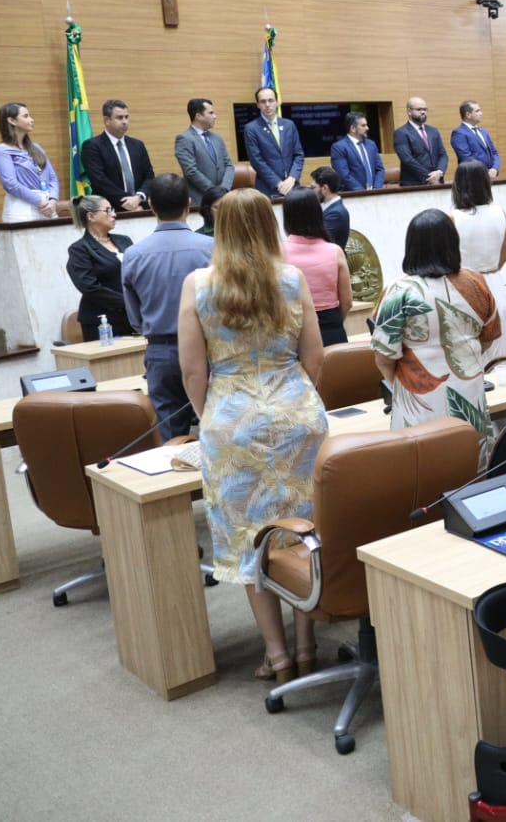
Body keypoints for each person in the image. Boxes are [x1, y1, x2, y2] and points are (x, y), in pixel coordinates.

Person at [178, 189, 327, 684]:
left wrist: (212, 418)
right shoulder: (292, 278)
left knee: (250, 540)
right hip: (298, 415)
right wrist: (297, 402)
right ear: (269, 224)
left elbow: (192, 371)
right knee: (303, 533)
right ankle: (307, 647)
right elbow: (315, 358)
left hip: (231, 420)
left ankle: (277, 656)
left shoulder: (198, 285)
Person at [371, 208, 500, 459]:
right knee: (470, 464)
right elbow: (488, 337)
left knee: (423, 467)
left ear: (412, 247)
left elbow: (384, 357)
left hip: (419, 401)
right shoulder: (476, 282)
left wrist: (398, 384)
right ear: (453, 243)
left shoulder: (399, 291)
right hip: (469, 394)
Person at [124, 174, 215, 439]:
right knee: (217, 428)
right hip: (210, 348)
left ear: (151, 205)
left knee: (170, 435)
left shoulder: (133, 255)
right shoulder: (213, 248)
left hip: (161, 350)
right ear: (189, 204)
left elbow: (134, 316)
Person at [450, 159, 506, 360]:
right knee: (501, 353)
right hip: (495, 284)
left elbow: (449, 261)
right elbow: (503, 258)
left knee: (471, 352)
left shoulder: (453, 218)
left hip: (465, 286)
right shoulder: (500, 212)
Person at [280, 188, 352, 346]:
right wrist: (334, 324)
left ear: (287, 217)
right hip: (331, 330)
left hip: (292, 331)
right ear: (318, 213)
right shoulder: (335, 251)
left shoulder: (277, 252)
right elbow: (347, 302)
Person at [65, 195, 134, 342]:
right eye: (108, 211)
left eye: (113, 210)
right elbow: (89, 287)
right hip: (102, 321)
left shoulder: (125, 240)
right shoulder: (80, 249)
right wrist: (128, 301)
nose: (114, 214)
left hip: (133, 316)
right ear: (91, 216)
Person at [80, 100, 155, 212]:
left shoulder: (137, 145)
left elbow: (149, 176)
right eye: (120, 118)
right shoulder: (92, 146)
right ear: (107, 120)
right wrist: (128, 202)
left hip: (140, 207)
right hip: (109, 209)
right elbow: (100, 181)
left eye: (126, 117)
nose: (124, 121)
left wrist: (139, 197)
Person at [0, 102, 59, 222]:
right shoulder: (2, 151)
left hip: (47, 206)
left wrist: (53, 200)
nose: (32, 120)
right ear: (12, 121)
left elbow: (52, 178)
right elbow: (11, 184)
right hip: (21, 208)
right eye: (26, 116)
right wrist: (39, 201)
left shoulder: (36, 147)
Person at [243, 86, 303, 197]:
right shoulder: (251, 128)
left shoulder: (289, 125)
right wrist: (278, 184)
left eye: (270, 100)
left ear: (277, 102)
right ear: (258, 105)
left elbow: (298, 155)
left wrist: (292, 178)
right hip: (268, 189)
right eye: (263, 101)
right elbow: (257, 161)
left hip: (293, 186)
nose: (267, 105)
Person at [174, 97, 233, 205]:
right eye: (211, 113)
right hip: (200, 200)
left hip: (224, 199)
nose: (215, 116)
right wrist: (215, 192)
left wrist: (224, 189)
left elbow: (229, 165)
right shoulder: (184, 138)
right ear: (199, 116)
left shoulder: (217, 138)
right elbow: (191, 171)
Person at [394, 96, 448, 187]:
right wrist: (429, 177)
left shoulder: (433, 131)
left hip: (437, 182)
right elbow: (407, 160)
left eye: (425, 109)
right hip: (414, 184)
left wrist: (439, 172)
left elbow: (443, 155)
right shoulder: (401, 133)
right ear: (409, 111)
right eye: (419, 109)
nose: (423, 112)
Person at [328, 111, 385, 192]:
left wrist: (377, 188)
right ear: (353, 128)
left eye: (366, 125)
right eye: (363, 125)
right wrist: (361, 192)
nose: (367, 128)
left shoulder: (371, 144)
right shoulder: (339, 147)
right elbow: (344, 175)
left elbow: (379, 169)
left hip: (374, 192)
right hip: (354, 194)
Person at [450, 99, 500, 178]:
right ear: (468, 115)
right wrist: (486, 172)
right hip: (473, 178)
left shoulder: (484, 132)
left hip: (491, 177)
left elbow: (494, 153)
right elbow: (467, 159)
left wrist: (495, 169)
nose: (481, 113)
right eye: (477, 111)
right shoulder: (459, 133)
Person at [309, 166, 350, 248]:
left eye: (313, 188)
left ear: (325, 188)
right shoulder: (326, 207)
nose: (311, 191)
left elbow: (316, 241)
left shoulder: (336, 214)